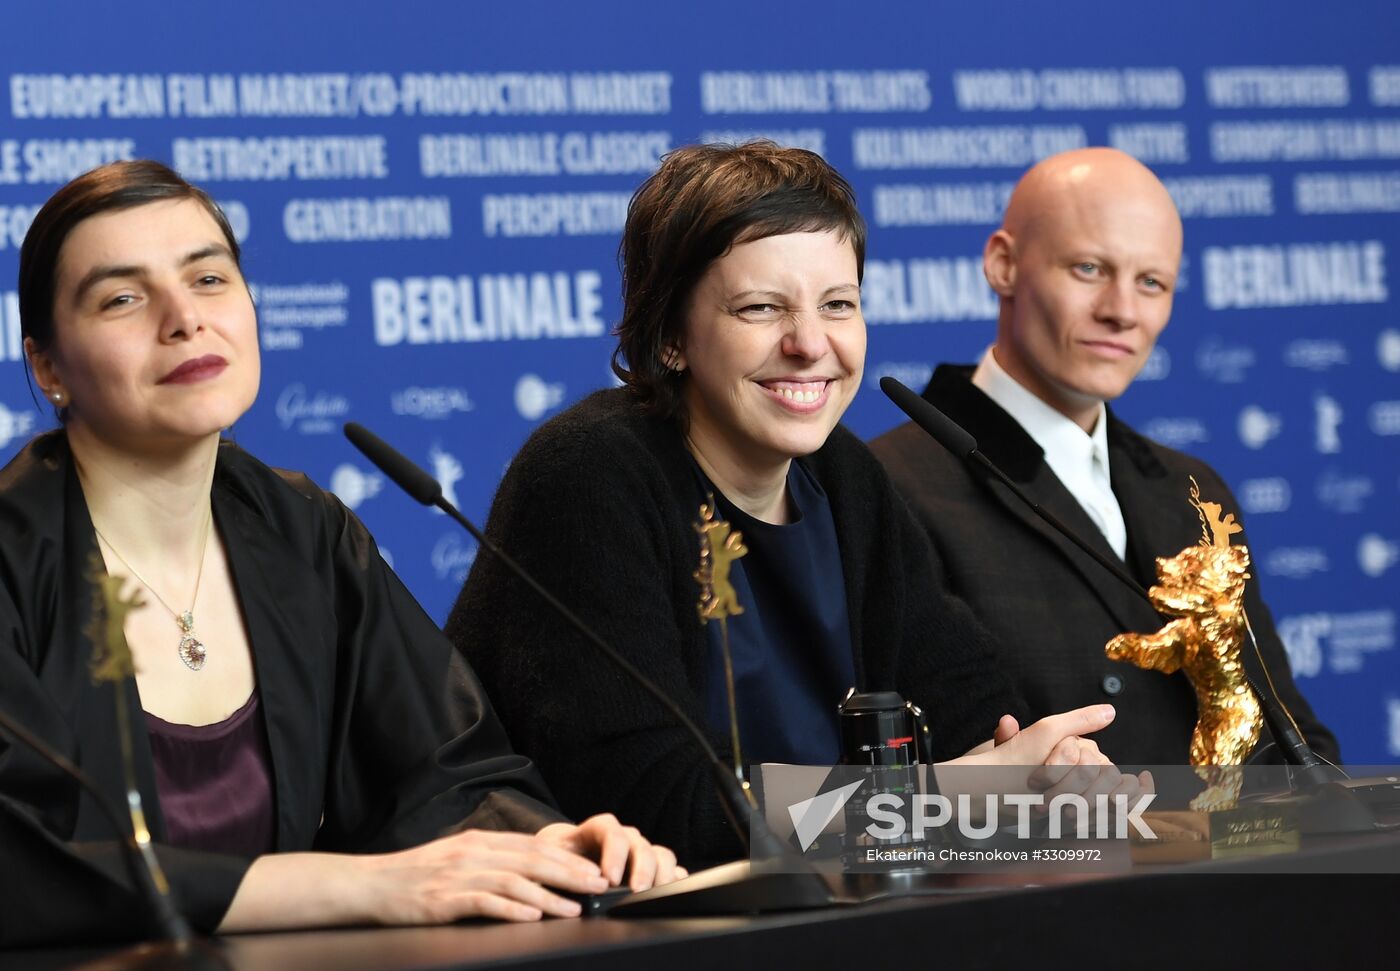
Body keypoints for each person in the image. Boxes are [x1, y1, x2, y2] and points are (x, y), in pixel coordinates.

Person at [0, 160, 681, 948]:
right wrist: (348, 883)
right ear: (48, 367)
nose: (184, 318)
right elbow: (25, 863)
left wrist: (536, 845)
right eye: (123, 297)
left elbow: (447, 771)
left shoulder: (304, 530)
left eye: (211, 279)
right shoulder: (16, 560)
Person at [446, 142, 1146, 869]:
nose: (811, 343)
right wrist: (951, 794)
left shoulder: (844, 476)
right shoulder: (588, 477)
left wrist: (1048, 767)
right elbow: (656, 812)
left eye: (838, 305)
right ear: (671, 336)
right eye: (760, 308)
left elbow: (977, 709)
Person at [870, 147, 1338, 766]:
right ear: (1003, 265)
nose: (1122, 311)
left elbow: (1291, 741)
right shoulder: (887, 485)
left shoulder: (1192, 488)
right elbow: (943, 780)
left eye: (1151, 282)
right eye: (1090, 268)